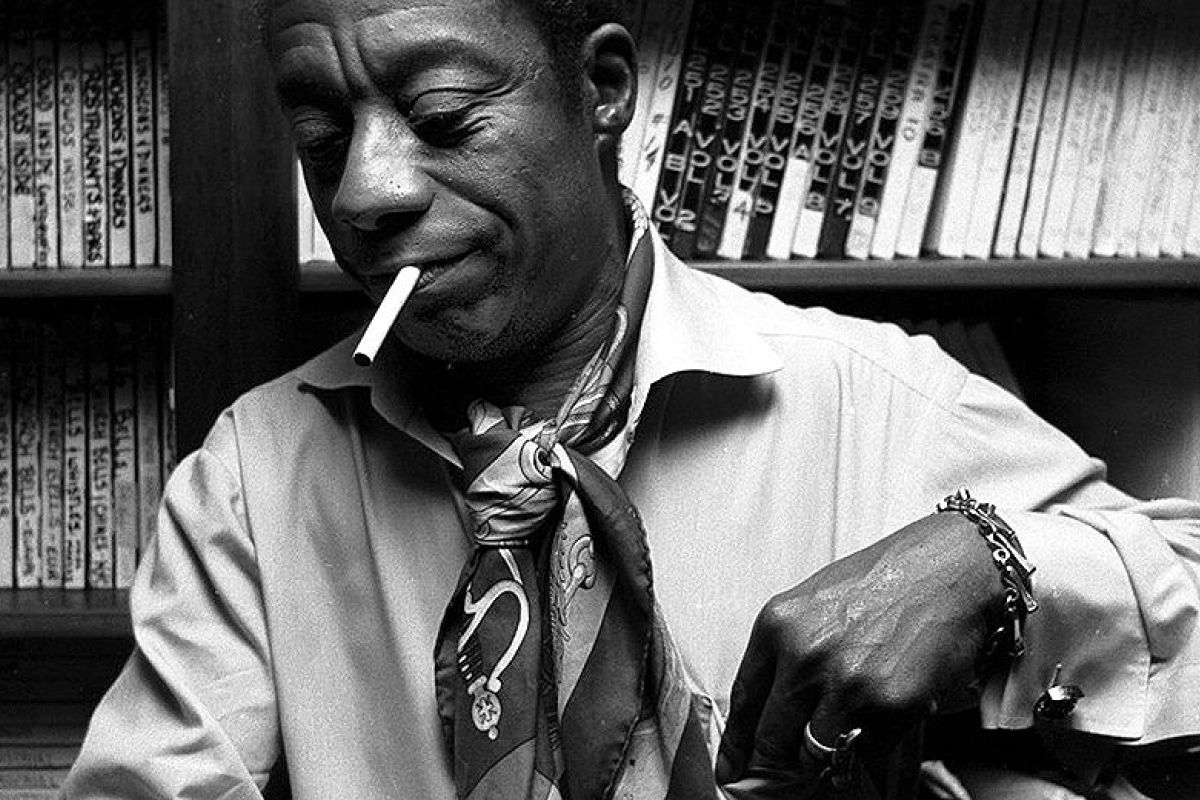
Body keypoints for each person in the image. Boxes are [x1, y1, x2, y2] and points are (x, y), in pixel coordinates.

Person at [64, 0, 1200, 797]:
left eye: (445, 116)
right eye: (320, 137)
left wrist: (998, 562)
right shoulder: (254, 476)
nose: (367, 191)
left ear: (603, 91)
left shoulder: (876, 400)